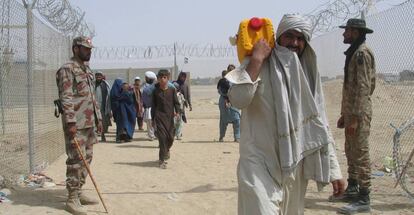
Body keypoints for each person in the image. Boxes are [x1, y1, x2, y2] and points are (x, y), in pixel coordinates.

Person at [225, 14, 345, 214]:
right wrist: (256, 59)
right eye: (289, 36)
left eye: (300, 38)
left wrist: (334, 171)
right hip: (258, 163)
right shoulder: (257, 63)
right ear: (278, 36)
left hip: (294, 166)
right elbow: (238, 100)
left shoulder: (306, 75)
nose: (294, 43)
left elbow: (318, 125)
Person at [56, 36, 102, 215]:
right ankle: (72, 198)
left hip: (89, 123)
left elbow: (91, 97)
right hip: (77, 123)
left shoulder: (87, 70)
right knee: (76, 160)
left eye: (90, 49)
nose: (89, 52)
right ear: (76, 49)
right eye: (85, 49)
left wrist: (98, 120)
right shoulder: (67, 69)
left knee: (87, 158)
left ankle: (79, 190)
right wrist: (70, 122)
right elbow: (66, 97)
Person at [335, 18, 376, 215]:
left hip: (358, 114)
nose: (344, 34)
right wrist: (345, 114)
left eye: (347, 31)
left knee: (360, 153)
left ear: (356, 32)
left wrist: (355, 117)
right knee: (350, 150)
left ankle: (364, 197)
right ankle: (352, 188)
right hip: (352, 112)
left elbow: (364, 88)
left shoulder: (361, 54)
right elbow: (349, 88)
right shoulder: (353, 53)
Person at [151, 69, 181, 169]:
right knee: (162, 139)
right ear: (158, 79)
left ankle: (166, 150)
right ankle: (161, 160)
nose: (163, 79)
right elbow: (153, 106)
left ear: (168, 79)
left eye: (165, 77)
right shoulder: (155, 91)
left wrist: (177, 111)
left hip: (169, 118)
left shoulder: (172, 90)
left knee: (171, 138)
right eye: (161, 78)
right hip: (159, 118)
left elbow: (176, 102)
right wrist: (152, 119)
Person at [217, 67, 241, 142]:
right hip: (224, 102)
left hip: (234, 102)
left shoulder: (236, 80)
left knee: (237, 120)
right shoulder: (222, 81)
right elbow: (219, 90)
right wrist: (227, 97)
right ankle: (221, 137)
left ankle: (237, 137)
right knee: (223, 121)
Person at [95, 71, 111, 142]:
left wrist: (109, 108)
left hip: (104, 106)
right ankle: (95, 137)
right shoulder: (92, 84)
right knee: (95, 122)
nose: (98, 77)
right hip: (94, 106)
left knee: (103, 122)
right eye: (97, 76)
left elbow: (109, 95)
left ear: (102, 76)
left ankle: (102, 135)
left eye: (99, 76)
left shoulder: (105, 84)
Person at [142, 71, 157, 140]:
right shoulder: (156, 87)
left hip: (149, 107)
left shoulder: (145, 88)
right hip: (153, 108)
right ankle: (152, 135)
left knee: (150, 122)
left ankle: (152, 135)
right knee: (151, 122)